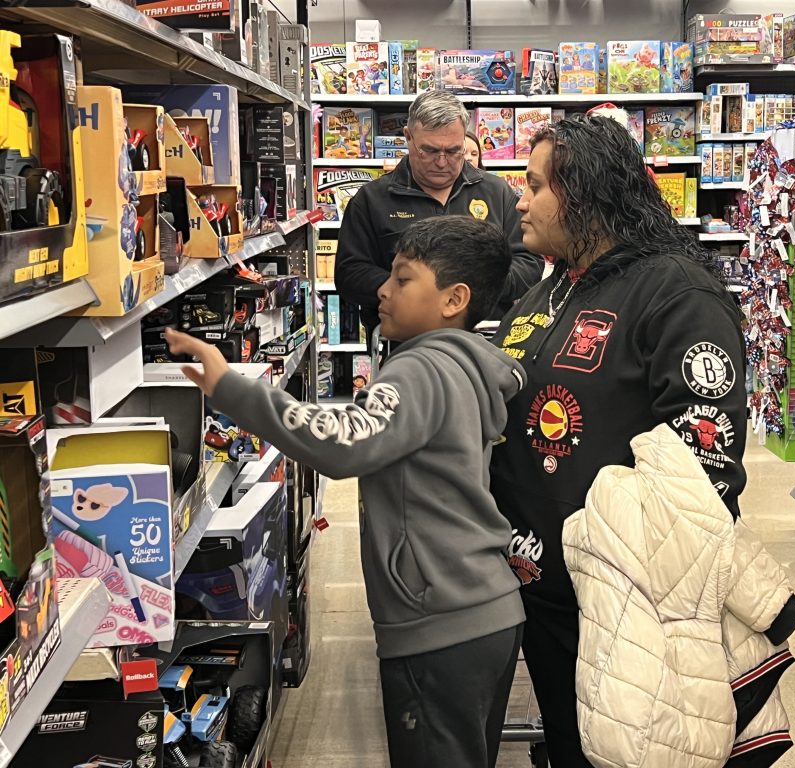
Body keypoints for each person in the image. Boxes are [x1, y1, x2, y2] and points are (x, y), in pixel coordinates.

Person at [166, 216, 527, 768]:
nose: (383, 289)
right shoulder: (467, 366)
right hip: (485, 610)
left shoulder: (419, 370)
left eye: (403, 280)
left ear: (454, 300)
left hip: (438, 622)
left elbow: (343, 444)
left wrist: (232, 389)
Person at [490, 115, 757, 767]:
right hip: (545, 592)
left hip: (623, 609)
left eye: (535, 186)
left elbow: (705, 468)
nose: (520, 201)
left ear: (583, 194)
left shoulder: (678, 294)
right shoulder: (557, 283)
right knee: (571, 740)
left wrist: (629, 583)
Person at [335, 90, 542, 334]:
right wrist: (414, 290)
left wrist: (481, 286)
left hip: (485, 339)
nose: (442, 162)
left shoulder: (497, 192)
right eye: (430, 150)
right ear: (408, 137)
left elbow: (529, 262)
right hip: (404, 343)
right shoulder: (371, 199)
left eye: (454, 151)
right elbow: (350, 273)